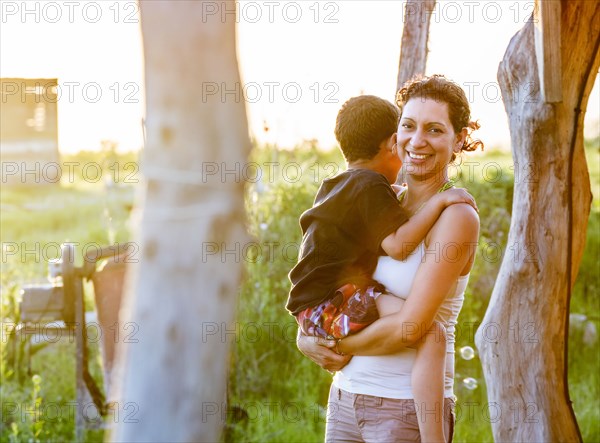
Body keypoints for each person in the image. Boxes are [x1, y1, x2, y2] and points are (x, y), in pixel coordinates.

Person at [297, 74, 483, 443]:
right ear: (394, 134)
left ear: (459, 138)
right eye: (409, 126)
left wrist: (332, 344)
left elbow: (412, 328)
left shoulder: (456, 215)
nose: (417, 141)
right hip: (346, 398)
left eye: (434, 130)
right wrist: (303, 336)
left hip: (404, 411)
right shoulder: (380, 203)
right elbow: (328, 279)